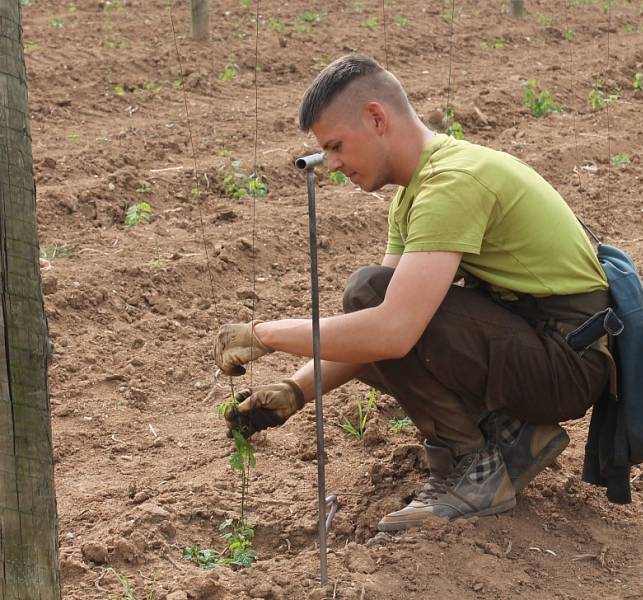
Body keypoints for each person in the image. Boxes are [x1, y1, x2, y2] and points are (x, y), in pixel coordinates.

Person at [214, 54, 613, 532]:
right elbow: (379, 332)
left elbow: (392, 331)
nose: (333, 164)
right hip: (544, 344)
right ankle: (513, 434)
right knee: (372, 298)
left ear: (377, 118)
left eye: (336, 146)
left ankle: (476, 468)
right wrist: (295, 390)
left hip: (565, 362)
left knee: (369, 296)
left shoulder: (452, 183)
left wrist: (266, 334)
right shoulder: (417, 191)